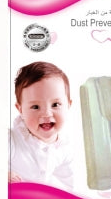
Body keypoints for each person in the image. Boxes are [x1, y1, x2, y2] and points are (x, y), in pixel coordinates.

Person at [9, 61, 74, 190]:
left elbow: (69, 185)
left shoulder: (64, 147)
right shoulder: (12, 140)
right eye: (35, 107)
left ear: (68, 105)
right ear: (20, 109)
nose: (46, 114)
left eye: (55, 104)